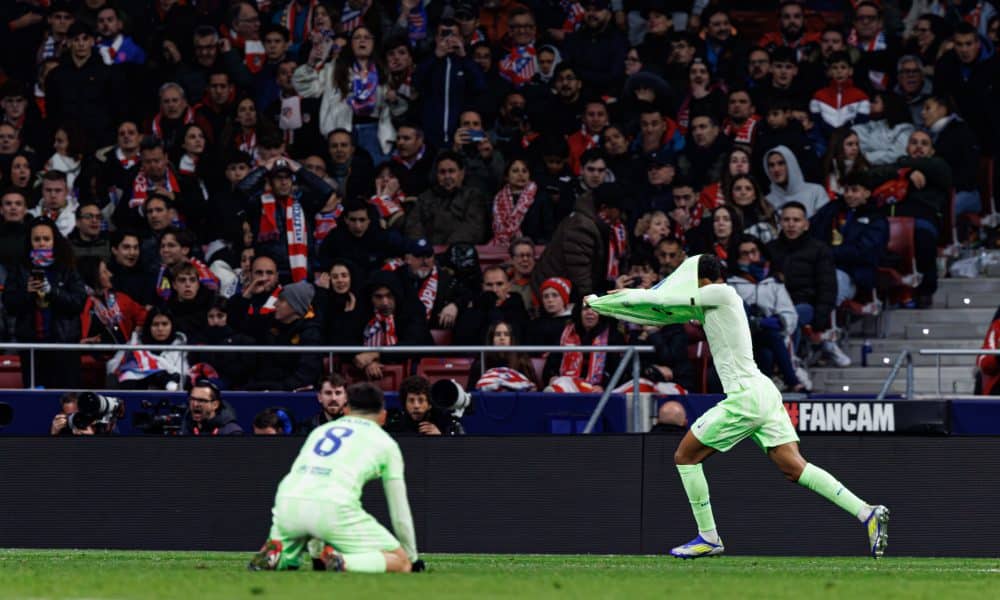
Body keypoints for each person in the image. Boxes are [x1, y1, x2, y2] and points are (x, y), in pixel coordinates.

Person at [585, 253, 889, 559]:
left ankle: (709, 537)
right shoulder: (711, 301)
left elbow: (662, 298)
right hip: (762, 392)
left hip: (746, 396)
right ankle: (867, 513)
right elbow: (660, 312)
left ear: (700, 279)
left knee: (685, 457)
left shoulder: (721, 292)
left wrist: (602, 300)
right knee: (795, 468)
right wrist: (609, 306)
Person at [249, 382, 420, 573]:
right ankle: (343, 561)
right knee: (400, 561)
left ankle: (277, 556)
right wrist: (412, 557)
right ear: (383, 416)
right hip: (333, 508)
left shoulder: (319, 431)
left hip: (287, 503)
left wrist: (316, 557)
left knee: (290, 557)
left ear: (346, 410)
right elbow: (399, 511)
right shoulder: (387, 444)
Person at [3, 216, 87, 389]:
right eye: (37, 239)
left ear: (54, 241)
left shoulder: (67, 266)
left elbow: (78, 302)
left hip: (64, 346)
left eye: (46, 239)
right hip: (32, 346)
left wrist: (53, 292)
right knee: (36, 398)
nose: (42, 243)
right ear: (30, 242)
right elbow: (9, 305)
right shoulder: (20, 268)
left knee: (66, 400)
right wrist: (27, 293)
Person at [384, 375, 455, 436]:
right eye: (411, 400)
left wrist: (439, 437)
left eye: (421, 400)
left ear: (429, 405)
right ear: (404, 404)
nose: (416, 406)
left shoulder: (443, 423)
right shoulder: (393, 427)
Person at [180, 379, 244, 436]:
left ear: (215, 405)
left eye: (201, 400)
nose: (195, 404)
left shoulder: (231, 432)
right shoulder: (183, 427)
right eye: (192, 399)